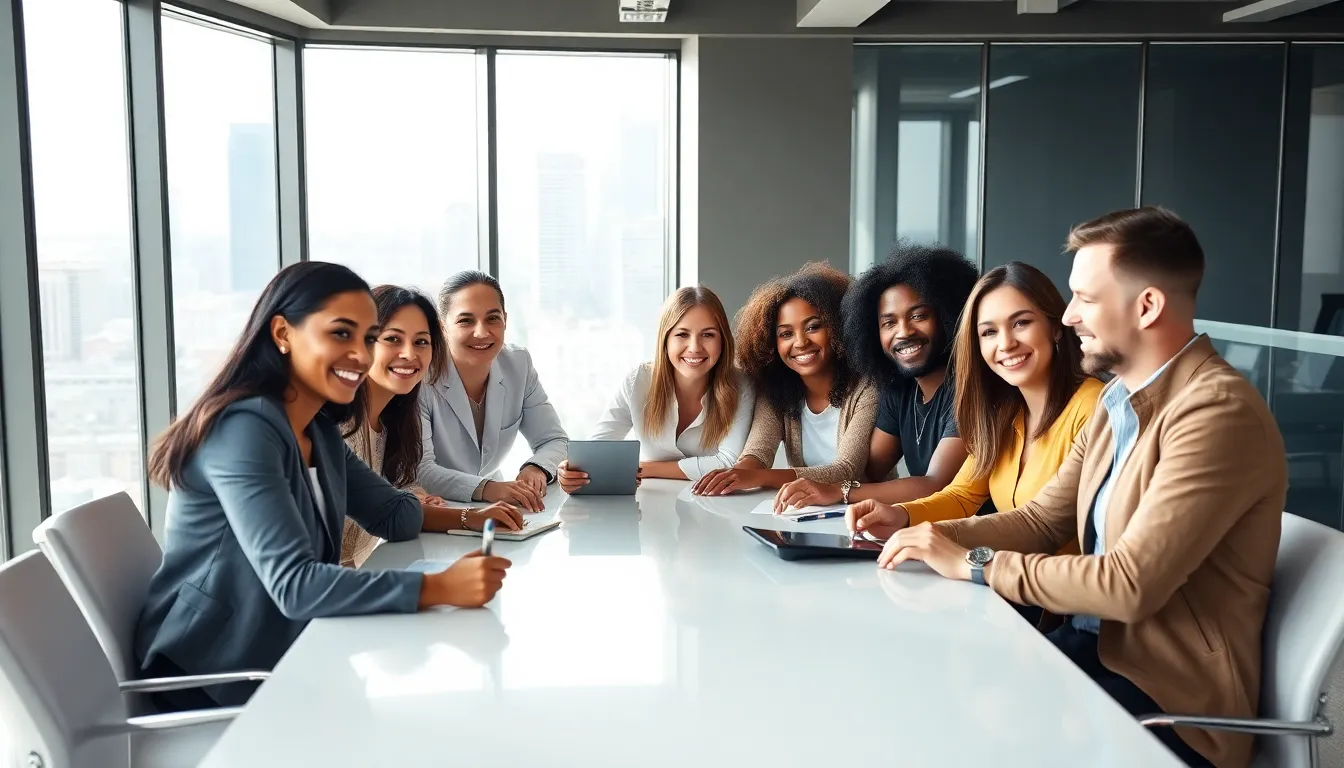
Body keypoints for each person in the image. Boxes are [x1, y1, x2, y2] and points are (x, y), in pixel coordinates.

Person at [877, 208, 1287, 768]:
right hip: (1097, 652)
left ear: (1147, 306)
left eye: (1085, 299)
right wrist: (923, 533)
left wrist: (973, 563)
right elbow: (1043, 521)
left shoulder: (1215, 411)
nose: (1068, 317)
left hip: (1167, 702)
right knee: (923, 702)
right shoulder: (1119, 402)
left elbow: (1129, 584)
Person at [135, 262, 513, 711]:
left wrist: (463, 518)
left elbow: (393, 516)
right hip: (211, 675)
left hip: (284, 648)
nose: (360, 354)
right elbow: (296, 585)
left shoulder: (318, 429)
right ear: (282, 333)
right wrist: (440, 588)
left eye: (368, 338)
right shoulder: (244, 429)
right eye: (341, 334)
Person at [846, 262, 1103, 541]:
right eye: (989, 332)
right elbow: (961, 496)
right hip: (999, 578)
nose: (1005, 344)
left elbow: (1043, 526)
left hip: (1056, 579)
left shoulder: (1093, 407)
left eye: (1021, 323)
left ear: (1055, 327)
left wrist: (942, 544)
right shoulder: (1002, 412)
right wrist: (901, 515)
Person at [773, 243, 977, 512]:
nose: (903, 332)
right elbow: (867, 473)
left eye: (918, 316)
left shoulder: (969, 387)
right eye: (888, 323)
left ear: (948, 316)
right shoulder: (900, 390)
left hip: (979, 540)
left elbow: (935, 484)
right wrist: (818, 493)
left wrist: (838, 491)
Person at [342, 285, 525, 568]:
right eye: (392, 339)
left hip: (353, 583)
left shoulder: (397, 423)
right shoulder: (336, 427)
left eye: (421, 342)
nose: (409, 354)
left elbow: (397, 503)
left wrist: (459, 513)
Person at [693, 262, 878, 499]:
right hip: (808, 511)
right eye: (786, 334)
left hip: (867, 513)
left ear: (838, 327)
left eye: (813, 327)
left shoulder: (867, 387)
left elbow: (847, 470)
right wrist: (734, 476)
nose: (800, 342)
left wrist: (758, 477)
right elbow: (757, 454)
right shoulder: (777, 390)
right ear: (772, 343)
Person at [557, 286, 755, 492]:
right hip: (650, 509)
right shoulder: (638, 381)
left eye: (708, 335)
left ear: (723, 340)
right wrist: (573, 471)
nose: (695, 347)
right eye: (682, 334)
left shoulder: (741, 386)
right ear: (665, 340)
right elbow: (597, 452)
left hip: (716, 508)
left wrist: (644, 468)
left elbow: (728, 464)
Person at [419, 271, 568, 512]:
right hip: (434, 510)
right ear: (442, 327)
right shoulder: (423, 375)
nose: (481, 332)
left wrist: (536, 468)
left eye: (492, 319)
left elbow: (554, 439)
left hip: (494, 508)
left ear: (505, 320)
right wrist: (487, 488)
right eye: (465, 320)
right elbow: (422, 469)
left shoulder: (518, 364)